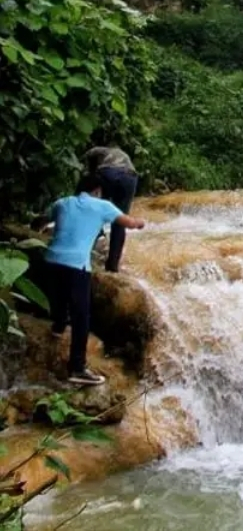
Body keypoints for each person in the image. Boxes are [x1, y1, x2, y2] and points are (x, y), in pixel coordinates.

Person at [40, 174, 146, 386]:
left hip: (50, 260)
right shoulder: (102, 206)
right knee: (81, 317)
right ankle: (77, 368)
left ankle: (58, 328)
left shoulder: (63, 202)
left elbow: (43, 219)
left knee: (60, 297)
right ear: (98, 190)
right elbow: (128, 222)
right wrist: (140, 223)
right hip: (76, 264)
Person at [83, 144, 138, 272]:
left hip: (108, 172)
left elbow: (90, 175)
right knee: (119, 221)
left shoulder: (98, 150)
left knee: (95, 212)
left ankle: (84, 252)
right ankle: (112, 266)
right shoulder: (124, 156)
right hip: (130, 177)